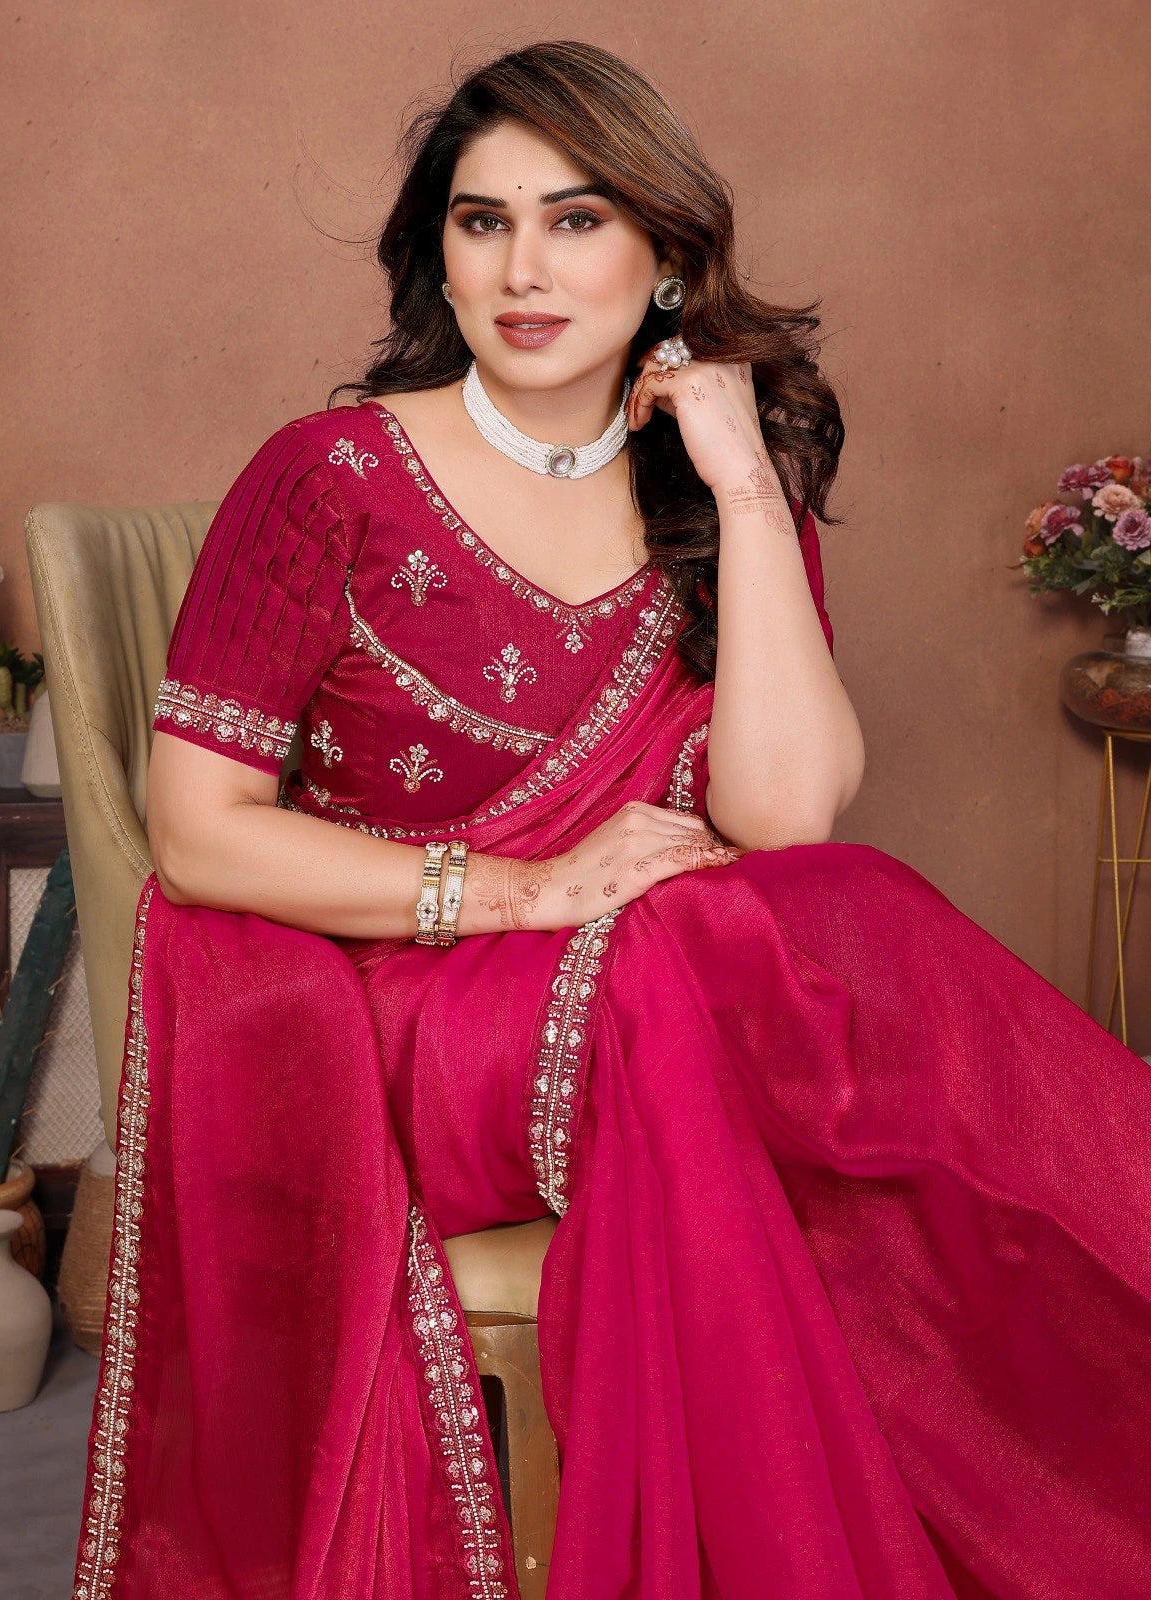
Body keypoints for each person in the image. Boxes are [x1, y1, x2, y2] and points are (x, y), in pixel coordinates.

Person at [70, 40, 1151, 1600]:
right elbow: (198, 834)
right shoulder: (327, 481)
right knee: (712, 960)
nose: (523, 268)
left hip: (659, 1007)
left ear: (665, 257)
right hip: (392, 1020)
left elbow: (784, 814)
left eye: (575, 220)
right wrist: (524, 891)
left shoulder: (706, 497)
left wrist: (746, 481)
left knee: (795, 923)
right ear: (437, 256)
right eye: (481, 221)